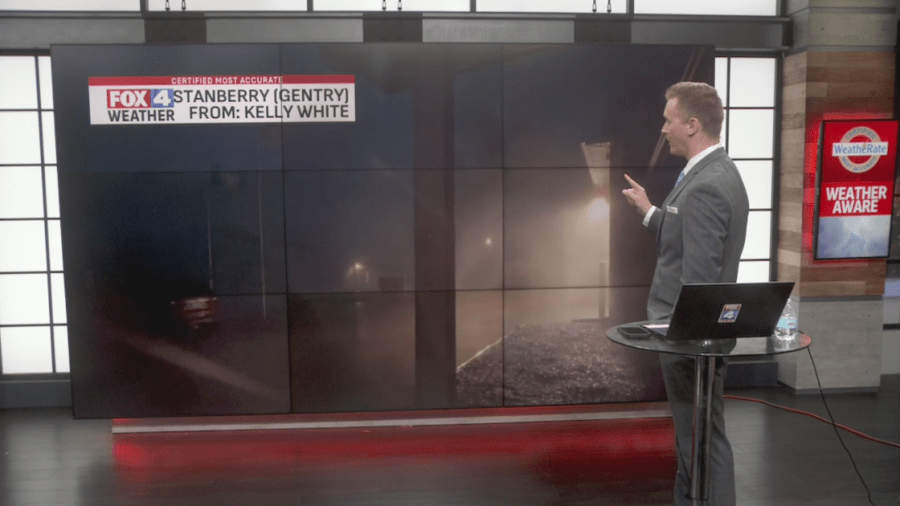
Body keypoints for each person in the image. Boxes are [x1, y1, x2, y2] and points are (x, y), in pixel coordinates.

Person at [621, 81, 749, 506]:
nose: (663, 129)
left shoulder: (707, 185)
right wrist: (651, 212)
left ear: (692, 125)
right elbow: (687, 235)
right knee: (696, 434)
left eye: (668, 120)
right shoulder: (715, 173)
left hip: (689, 340)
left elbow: (700, 282)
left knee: (700, 436)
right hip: (691, 337)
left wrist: (683, 339)